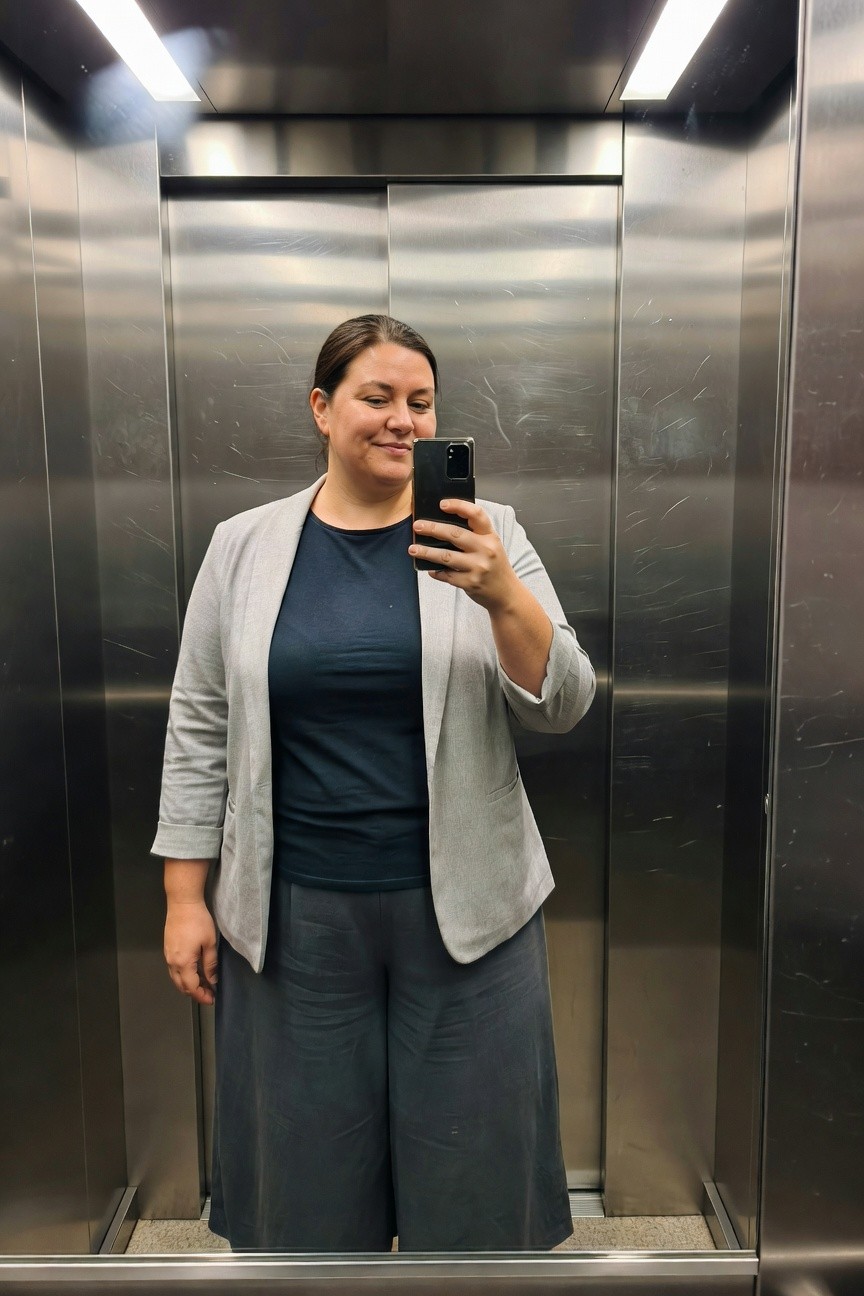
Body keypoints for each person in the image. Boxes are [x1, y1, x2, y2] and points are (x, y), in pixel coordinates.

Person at [153, 314, 595, 1253]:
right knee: (305, 1176)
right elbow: (200, 719)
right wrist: (184, 895)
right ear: (322, 408)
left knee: (473, 1170)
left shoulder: (488, 532)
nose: (403, 420)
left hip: (470, 911)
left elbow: (564, 702)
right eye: (377, 397)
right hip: (293, 911)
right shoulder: (244, 545)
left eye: (422, 403)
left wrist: (500, 594)